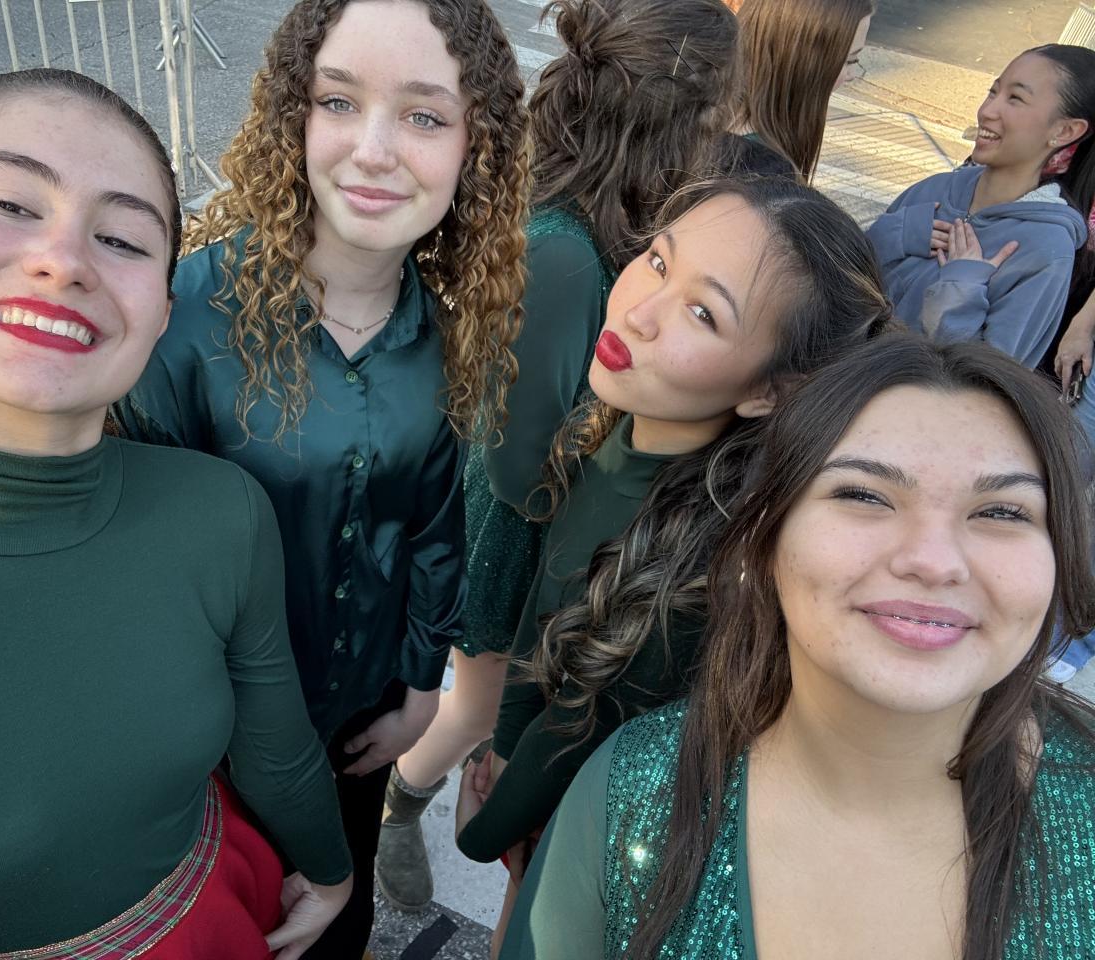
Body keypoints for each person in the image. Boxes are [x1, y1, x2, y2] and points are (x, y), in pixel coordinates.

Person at [0, 68, 353, 960]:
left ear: (161, 313)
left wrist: (331, 872)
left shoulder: (220, 509)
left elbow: (277, 747)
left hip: (227, 900)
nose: (63, 260)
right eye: (9, 203)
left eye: (121, 239)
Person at [111, 0, 530, 954]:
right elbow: (135, 573)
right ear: (291, 118)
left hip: (358, 729)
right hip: (210, 765)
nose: (374, 151)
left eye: (423, 116)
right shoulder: (185, 322)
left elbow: (433, 524)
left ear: (477, 148)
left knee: (342, 932)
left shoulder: (444, 333)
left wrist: (419, 685)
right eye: (339, 101)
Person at [501, 335, 1095, 959]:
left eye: (1002, 512)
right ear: (763, 537)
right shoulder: (630, 792)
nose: (934, 561)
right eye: (864, 495)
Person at [453, 176, 892, 949]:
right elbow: (543, 626)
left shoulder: (700, 572)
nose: (639, 311)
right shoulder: (616, 429)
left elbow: (578, 731)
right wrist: (503, 745)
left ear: (767, 391)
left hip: (600, 849)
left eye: (702, 312)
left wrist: (487, 828)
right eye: (658, 261)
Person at [378, 0, 743, 913]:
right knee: (476, 705)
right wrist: (596, 502)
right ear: (682, 118)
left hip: (537, 513)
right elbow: (516, 460)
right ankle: (398, 805)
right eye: (723, 108)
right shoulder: (568, 256)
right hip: (517, 528)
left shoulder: (593, 217)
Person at [867, 45, 1094, 370]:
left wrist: (958, 292)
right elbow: (843, 284)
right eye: (993, 91)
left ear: (1065, 131)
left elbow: (990, 381)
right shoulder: (935, 188)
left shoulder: (1046, 249)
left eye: (1015, 98)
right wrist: (888, 237)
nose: (987, 110)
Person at [732, 0, 874, 180]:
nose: (851, 75)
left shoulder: (710, 114)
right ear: (804, 60)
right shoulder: (763, 168)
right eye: (849, 60)